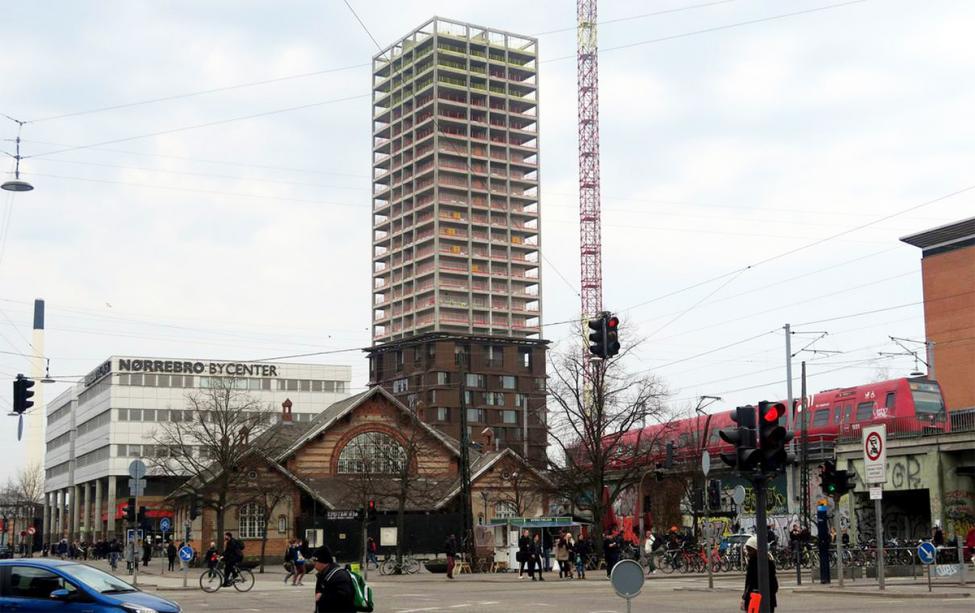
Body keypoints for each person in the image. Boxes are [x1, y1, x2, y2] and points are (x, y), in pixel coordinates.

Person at [312, 546, 355, 613]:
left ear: (323, 561)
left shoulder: (340, 576)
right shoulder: (322, 575)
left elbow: (344, 598)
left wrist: (322, 597)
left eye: (315, 561)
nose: (313, 564)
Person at [742, 535, 778, 613]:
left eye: (750, 550)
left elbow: (749, 583)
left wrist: (745, 598)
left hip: (755, 598)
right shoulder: (769, 562)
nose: (748, 553)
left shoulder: (753, 563)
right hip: (766, 599)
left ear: (757, 550)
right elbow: (774, 585)